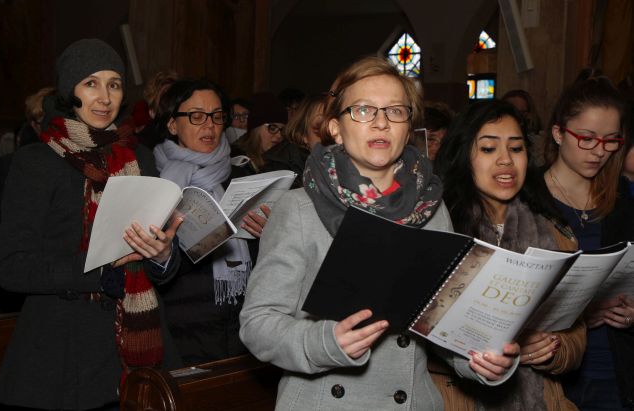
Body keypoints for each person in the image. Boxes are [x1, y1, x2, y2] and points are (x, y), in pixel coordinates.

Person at [239, 56, 519, 410]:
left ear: (408, 127)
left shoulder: (432, 207)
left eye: (395, 111)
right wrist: (327, 341)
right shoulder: (299, 208)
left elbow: (441, 320)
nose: (381, 123)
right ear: (336, 128)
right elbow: (258, 323)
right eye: (363, 110)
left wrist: (481, 357)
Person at [0, 39, 183, 410]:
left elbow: (160, 264)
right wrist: (96, 274)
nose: (105, 96)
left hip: (138, 348)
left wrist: (161, 254)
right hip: (62, 357)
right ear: (70, 91)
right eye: (91, 83)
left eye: (114, 84)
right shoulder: (37, 162)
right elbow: (11, 268)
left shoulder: (139, 157)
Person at [435, 99, 585, 410]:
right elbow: (418, 342)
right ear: (463, 155)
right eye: (489, 149)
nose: (505, 160)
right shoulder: (440, 230)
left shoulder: (555, 231)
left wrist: (552, 349)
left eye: (516, 149)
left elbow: (576, 336)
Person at [153, 78, 268, 366]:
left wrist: (268, 235)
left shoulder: (241, 176)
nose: (209, 125)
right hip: (181, 330)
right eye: (196, 116)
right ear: (171, 124)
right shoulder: (154, 181)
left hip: (242, 328)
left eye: (217, 116)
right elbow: (150, 269)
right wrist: (164, 254)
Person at [542, 75, 634, 410]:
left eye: (611, 141)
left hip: (618, 369)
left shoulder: (624, 199)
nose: (600, 151)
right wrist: (578, 315)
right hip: (555, 375)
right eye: (587, 138)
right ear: (558, 133)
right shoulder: (528, 200)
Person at [261, 94, 333, 188]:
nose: (331, 133)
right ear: (303, 134)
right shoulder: (277, 174)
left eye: (337, 124)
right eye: (320, 125)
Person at [234, 91, 287, 173]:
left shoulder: (284, 159)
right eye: (272, 128)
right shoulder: (237, 161)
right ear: (256, 128)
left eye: (282, 130)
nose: (279, 136)